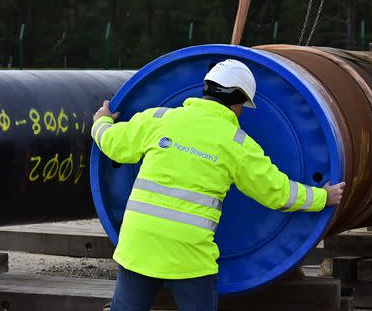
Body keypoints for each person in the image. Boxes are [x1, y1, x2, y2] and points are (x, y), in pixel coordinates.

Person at [91, 59, 346, 311]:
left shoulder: (160, 118)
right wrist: (323, 197)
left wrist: (101, 121)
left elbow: (114, 144)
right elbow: (277, 192)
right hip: (188, 256)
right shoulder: (237, 144)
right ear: (238, 103)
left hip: (139, 245)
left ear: (206, 90)